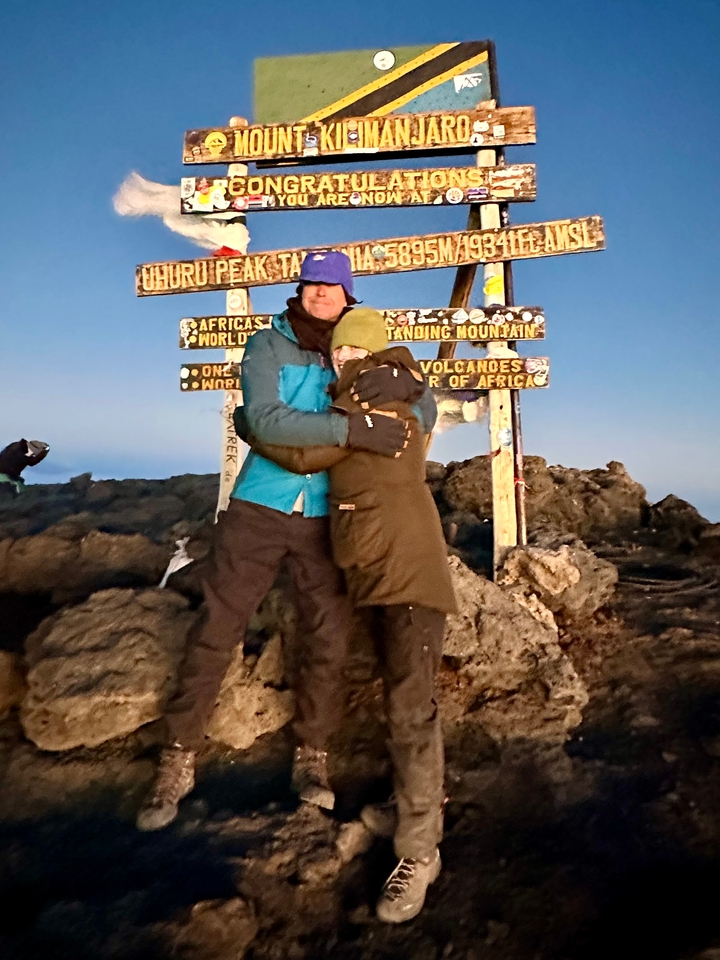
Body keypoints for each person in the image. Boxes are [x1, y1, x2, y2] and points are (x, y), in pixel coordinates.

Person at [136, 251, 437, 832]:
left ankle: (312, 755)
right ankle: (178, 757)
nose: (321, 293)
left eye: (332, 285)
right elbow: (266, 420)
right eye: (312, 283)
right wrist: (352, 428)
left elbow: (418, 412)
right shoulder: (267, 344)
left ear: (348, 295)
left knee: (327, 637)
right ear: (299, 290)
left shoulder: (362, 344)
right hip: (259, 505)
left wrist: (409, 385)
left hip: (330, 514)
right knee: (218, 626)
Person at [242, 307, 457, 924]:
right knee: (402, 700)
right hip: (382, 573)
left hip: (409, 575)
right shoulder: (370, 397)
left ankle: (420, 852)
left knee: (411, 709)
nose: (344, 359)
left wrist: (249, 424)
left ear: (378, 352)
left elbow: (305, 457)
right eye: (338, 351)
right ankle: (414, 804)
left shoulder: (381, 402)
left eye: (355, 351)